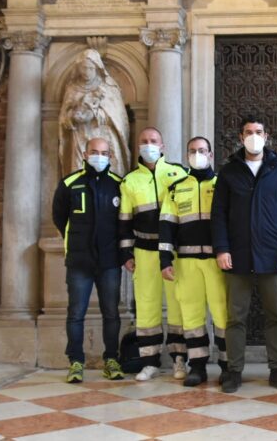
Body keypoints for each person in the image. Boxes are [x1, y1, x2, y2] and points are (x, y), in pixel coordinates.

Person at [211, 116, 277, 393]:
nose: (253, 136)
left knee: (276, 315)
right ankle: (234, 371)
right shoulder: (228, 172)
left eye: (258, 131)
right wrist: (222, 249)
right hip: (237, 256)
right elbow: (219, 216)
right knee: (236, 317)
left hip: (273, 254)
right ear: (240, 137)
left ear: (266, 135)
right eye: (248, 132)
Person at [52, 137, 124, 383]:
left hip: (110, 262)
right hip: (79, 263)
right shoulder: (70, 183)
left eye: (104, 152)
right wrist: (77, 241)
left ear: (110, 156)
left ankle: (112, 359)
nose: (99, 156)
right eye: (94, 151)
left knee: (112, 314)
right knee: (75, 314)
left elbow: (124, 222)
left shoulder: (118, 185)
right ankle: (75, 362)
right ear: (85, 154)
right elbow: (59, 217)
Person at [119, 127, 188, 381]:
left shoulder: (179, 173)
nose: (149, 145)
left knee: (178, 306)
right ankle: (149, 362)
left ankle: (180, 359)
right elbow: (124, 221)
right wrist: (126, 253)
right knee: (146, 308)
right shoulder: (130, 181)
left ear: (163, 146)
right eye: (144, 141)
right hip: (144, 251)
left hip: (173, 252)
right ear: (138, 146)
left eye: (153, 141)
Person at [159, 137, 228, 387]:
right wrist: (165, 259)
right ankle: (197, 366)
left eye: (202, 151)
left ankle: (227, 366)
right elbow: (167, 225)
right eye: (192, 151)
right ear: (187, 155)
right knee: (192, 315)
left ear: (211, 155)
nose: (197, 154)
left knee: (223, 315)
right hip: (186, 261)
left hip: (216, 261)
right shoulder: (176, 188)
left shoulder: (223, 184)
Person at [59, 49, 131, 177]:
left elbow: (118, 116)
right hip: (80, 136)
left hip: (104, 134)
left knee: (109, 174)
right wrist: (72, 117)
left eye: (90, 68)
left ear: (97, 68)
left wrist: (96, 114)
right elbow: (64, 116)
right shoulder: (72, 88)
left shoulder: (108, 87)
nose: (87, 72)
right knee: (79, 172)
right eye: (84, 68)